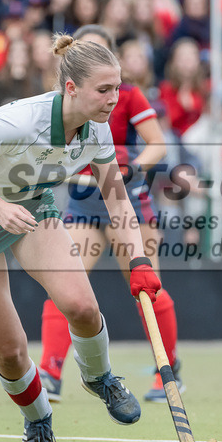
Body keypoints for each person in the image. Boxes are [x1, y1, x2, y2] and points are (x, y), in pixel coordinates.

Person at [0, 33, 162, 442]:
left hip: (32, 203)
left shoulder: (97, 131)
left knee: (83, 307)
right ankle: (37, 419)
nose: (114, 99)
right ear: (71, 88)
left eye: (118, 88)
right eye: (104, 90)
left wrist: (140, 258)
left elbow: (117, 197)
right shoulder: (19, 121)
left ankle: (100, 377)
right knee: (12, 352)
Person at [38, 25, 183, 404]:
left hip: (127, 198)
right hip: (84, 203)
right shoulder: (58, 105)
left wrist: (129, 168)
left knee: (147, 288)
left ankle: (168, 369)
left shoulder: (129, 96)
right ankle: (50, 371)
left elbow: (157, 146)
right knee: (65, 284)